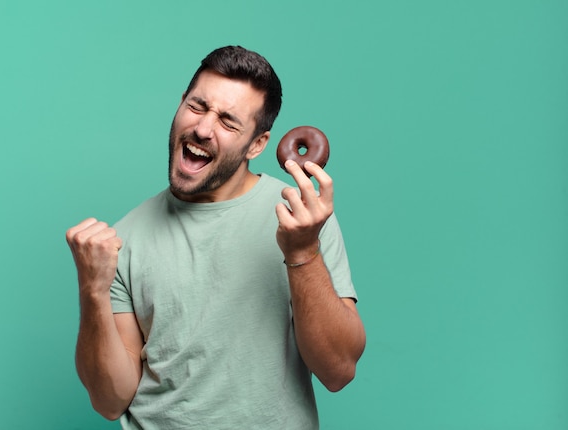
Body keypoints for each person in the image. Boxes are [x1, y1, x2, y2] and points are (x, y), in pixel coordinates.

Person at [65, 45, 366, 429]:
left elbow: (338, 371)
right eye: (197, 106)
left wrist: (303, 250)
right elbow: (110, 400)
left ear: (257, 144)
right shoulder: (123, 238)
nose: (203, 129)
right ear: (180, 105)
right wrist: (92, 289)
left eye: (228, 121)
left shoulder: (301, 218)